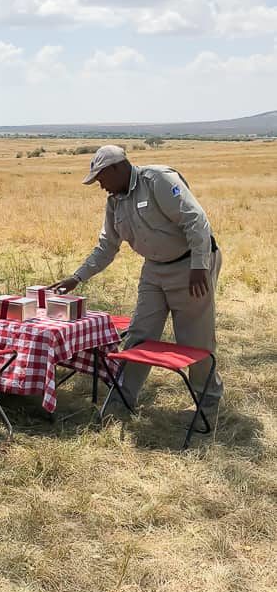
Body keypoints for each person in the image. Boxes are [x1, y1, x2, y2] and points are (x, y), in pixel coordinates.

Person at [51, 145, 223, 411]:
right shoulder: (114, 202)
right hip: (154, 269)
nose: (101, 186)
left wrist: (200, 265)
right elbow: (107, 246)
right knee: (139, 333)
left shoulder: (158, 181)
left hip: (190, 266)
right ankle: (122, 398)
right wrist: (76, 277)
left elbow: (196, 221)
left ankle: (207, 401)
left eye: (102, 178)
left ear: (118, 168)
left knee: (195, 338)